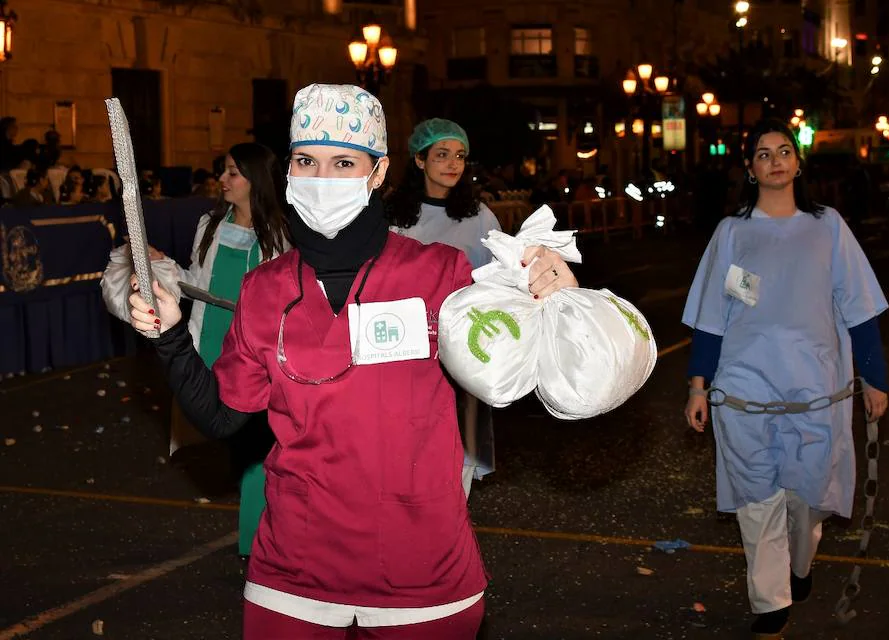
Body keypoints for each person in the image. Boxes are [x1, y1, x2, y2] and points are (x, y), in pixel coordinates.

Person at [127, 83, 577, 638]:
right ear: (288, 170)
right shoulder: (264, 289)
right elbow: (222, 416)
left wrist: (556, 303)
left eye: (344, 162)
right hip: (293, 572)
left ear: (378, 171)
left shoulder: (443, 275)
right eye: (305, 161)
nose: (321, 179)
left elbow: (532, 382)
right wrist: (170, 336)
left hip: (422, 573)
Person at [681, 119, 889, 638]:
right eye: (763, 154)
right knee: (757, 498)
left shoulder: (827, 227)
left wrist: (875, 377)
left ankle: (800, 566)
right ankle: (770, 603)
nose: (775, 160)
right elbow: (711, 315)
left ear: (798, 163)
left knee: (808, 499)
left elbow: (859, 306)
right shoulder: (733, 233)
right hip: (744, 389)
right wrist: (698, 385)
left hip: (818, 389)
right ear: (750, 169)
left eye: (784, 151)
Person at [146, 143, 291, 558]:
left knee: (257, 451)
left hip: (254, 354)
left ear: (255, 179)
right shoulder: (210, 223)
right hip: (208, 345)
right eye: (223, 172)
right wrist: (164, 266)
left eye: (232, 172)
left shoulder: (281, 233)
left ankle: (258, 548)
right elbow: (197, 279)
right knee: (237, 444)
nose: (223, 180)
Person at [386, 118, 501, 497]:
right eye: (441, 155)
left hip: (460, 339)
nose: (453, 164)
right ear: (419, 161)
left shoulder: (480, 217)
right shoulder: (391, 214)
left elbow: (498, 278)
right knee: (405, 430)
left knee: (460, 423)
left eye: (460, 156)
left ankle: (456, 500)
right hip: (403, 341)